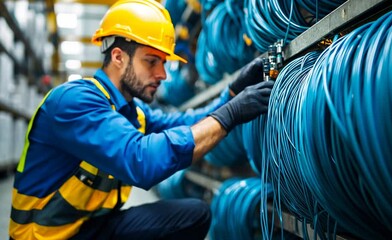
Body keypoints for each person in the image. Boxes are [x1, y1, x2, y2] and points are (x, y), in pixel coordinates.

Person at [9, 0, 274, 239]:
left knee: (193, 214)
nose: (163, 74)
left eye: (163, 62)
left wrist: (231, 95)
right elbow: (141, 161)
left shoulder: (131, 111)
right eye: (151, 61)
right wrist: (230, 115)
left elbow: (185, 123)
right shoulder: (76, 102)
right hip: (45, 237)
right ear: (118, 57)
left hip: (89, 226)